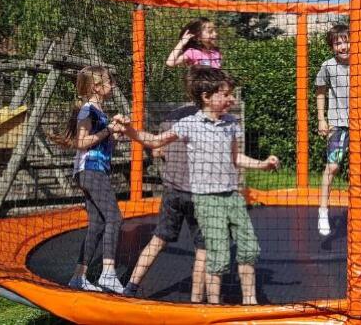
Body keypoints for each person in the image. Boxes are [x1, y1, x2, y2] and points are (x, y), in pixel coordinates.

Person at [115, 67, 279, 305]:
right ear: (206, 97)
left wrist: (262, 165)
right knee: (186, 244)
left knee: (195, 247)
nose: (232, 99)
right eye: (226, 94)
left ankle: (196, 301)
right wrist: (129, 130)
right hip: (189, 195)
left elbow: (235, 158)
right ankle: (134, 288)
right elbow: (156, 142)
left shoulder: (229, 123)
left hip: (201, 194)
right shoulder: (188, 123)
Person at [121, 102, 207, 300]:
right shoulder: (206, 118)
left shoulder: (171, 117)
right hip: (197, 193)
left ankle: (131, 287)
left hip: (172, 191)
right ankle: (196, 301)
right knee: (203, 247)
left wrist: (173, 154)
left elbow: (157, 151)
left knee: (158, 240)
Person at [51, 66, 126, 293]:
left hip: (94, 170)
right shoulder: (87, 111)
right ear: (96, 87)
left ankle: (78, 277)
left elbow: (102, 144)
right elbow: (82, 142)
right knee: (114, 217)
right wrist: (107, 130)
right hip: (90, 170)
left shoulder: (99, 111)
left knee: (98, 223)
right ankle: (108, 273)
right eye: (108, 81)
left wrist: (115, 135)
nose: (112, 85)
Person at [315, 24, 350, 237]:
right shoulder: (328, 66)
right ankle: (323, 210)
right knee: (333, 166)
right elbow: (320, 92)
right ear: (332, 47)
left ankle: (359, 211)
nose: (343, 46)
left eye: (346, 41)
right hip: (338, 124)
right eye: (338, 43)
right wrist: (321, 119)